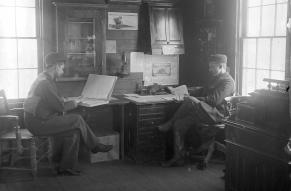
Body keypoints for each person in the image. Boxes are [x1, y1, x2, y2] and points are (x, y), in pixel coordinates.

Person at [23, 52, 113, 175]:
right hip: (38, 123)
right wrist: (75, 102)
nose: (63, 71)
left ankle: (66, 167)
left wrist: (67, 99)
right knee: (77, 119)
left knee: (75, 131)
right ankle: (95, 146)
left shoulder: (44, 78)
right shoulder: (45, 83)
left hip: (38, 119)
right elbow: (60, 107)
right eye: (62, 67)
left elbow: (54, 99)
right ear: (56, 66)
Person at [158, 54, 235, 167]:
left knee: (190, 101)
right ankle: (179, 158)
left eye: (212, 67)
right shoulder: (215, 78)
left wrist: (192, 98)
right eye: (209, 67)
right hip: (205, 112)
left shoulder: (228, 82)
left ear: (221, 66)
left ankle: (169, 123)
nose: (209, 69)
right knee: (179, 125)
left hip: (217, 115)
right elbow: (202, 90)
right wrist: (182, 91)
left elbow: (214, 101)